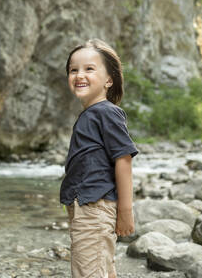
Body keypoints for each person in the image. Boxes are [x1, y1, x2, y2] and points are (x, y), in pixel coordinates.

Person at [59, 39, 138, 278]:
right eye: (74, 70)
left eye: (89, 69)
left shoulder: (106, 112)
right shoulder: (91, 114)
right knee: (101, 269)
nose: (79, 75)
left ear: (109, 80)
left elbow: (123, 159)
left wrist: (125, 210)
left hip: (95, 206)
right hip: (86, 205)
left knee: (89, 271)